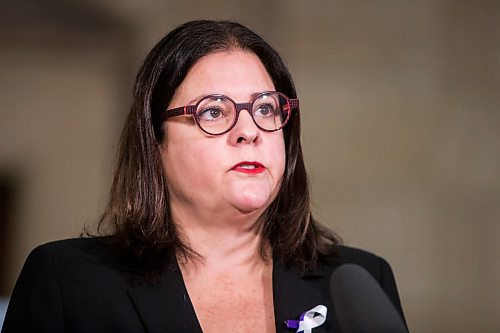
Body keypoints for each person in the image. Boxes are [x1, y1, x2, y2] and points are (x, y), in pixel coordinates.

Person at [2, 20, 405, 333]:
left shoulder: (360, 283)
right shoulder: (70, 284)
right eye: (213, 111)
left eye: (265, 108)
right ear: (155, 142)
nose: (249, 131)